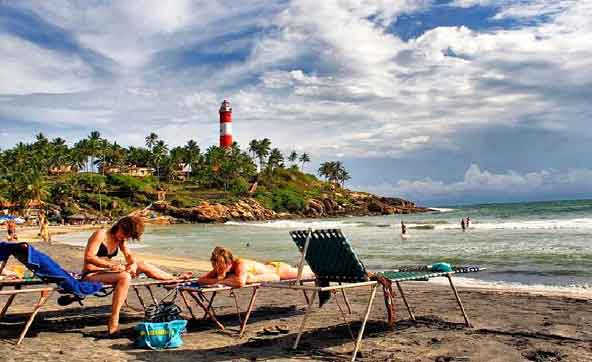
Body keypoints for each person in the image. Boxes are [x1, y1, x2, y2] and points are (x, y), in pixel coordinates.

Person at [82, 216, 192, 335]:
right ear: (119, 226)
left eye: (128, 236)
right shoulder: (101, 234)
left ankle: (173, 278)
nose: (125, 237)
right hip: (91, 274)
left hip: (109, 273)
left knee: (142, 264)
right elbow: (89, 257)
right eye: (124, 233)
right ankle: (114, 320)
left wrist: (133, 264)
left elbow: (129, 255)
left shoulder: (121, 240)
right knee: (125, 276)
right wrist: (111, 266)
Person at [198, 246, 315, 288]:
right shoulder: (219, 267)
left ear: (229, 263)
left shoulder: (240, 264)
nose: (218, 269)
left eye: (221, 266)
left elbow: (240, 282)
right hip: (270, 268)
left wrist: (221, 280)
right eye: (216, 266)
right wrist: (217, 279)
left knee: (310, 273)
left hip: (278, 270)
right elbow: (201, 280)